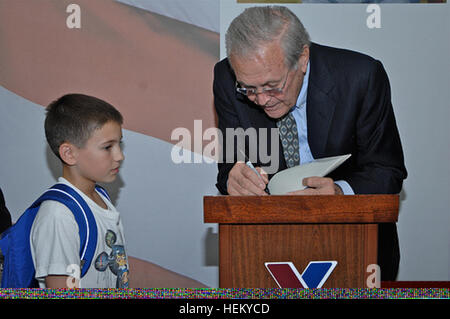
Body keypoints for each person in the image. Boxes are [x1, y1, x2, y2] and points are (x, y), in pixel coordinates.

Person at [213, 6, 407, 280]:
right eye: (249, 89)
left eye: (272, 86)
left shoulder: (359, 77)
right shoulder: (226, 79)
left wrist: (339, 194)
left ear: (302, 58)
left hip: (357, 245)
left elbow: (387, 172)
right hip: (264, 248)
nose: (262, 99)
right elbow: (229, 168)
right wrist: (235, 179)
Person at [32, 93, 206, 288]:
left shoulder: (101, 198)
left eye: (119, 144)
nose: (120, 156)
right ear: (69, 153)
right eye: (107, 147)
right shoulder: (59, 215)